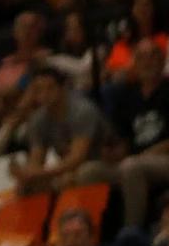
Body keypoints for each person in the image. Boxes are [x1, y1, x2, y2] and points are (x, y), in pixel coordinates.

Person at [110, 43, 169, 227]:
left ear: (162, 60)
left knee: (130, 167)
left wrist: (162, 147)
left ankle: (131, 232)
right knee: (89, 172)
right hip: (136, 159)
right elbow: (122, 141)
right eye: (141, 58)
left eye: (152, 56)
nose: (147, 62)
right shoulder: (126, 96)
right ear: (134, 63)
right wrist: (110, 153)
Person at [12, 67, 117, 196]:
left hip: (106, 163)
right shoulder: (38, 119)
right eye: (39, 90)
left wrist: (38, 173)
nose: (44, 95)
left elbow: (78, 157)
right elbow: (36, 158)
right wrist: (26, 176)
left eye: (50, 88)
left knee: (83, 173)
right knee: (26, 187)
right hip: (70, 168)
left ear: (62, 88)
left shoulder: (82, 111)